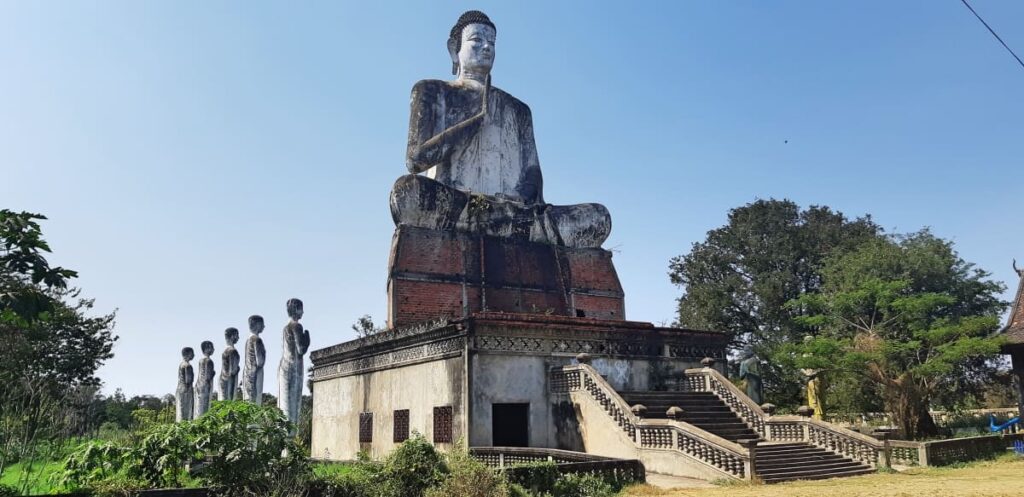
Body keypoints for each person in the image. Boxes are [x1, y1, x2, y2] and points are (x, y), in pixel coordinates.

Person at [390, 10, 611, 249]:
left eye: (492, 43)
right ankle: (506, 226)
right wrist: (475, 120)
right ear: (454, 49)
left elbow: (533, 174)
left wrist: (520, 198)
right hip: (460, 204)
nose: (486, 47)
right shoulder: (431, 91)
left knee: (598, 217)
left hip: (514, 211)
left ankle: (506, 224)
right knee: (407, 192)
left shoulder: (518, 109)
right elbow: (415, 161)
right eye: (477, 40)